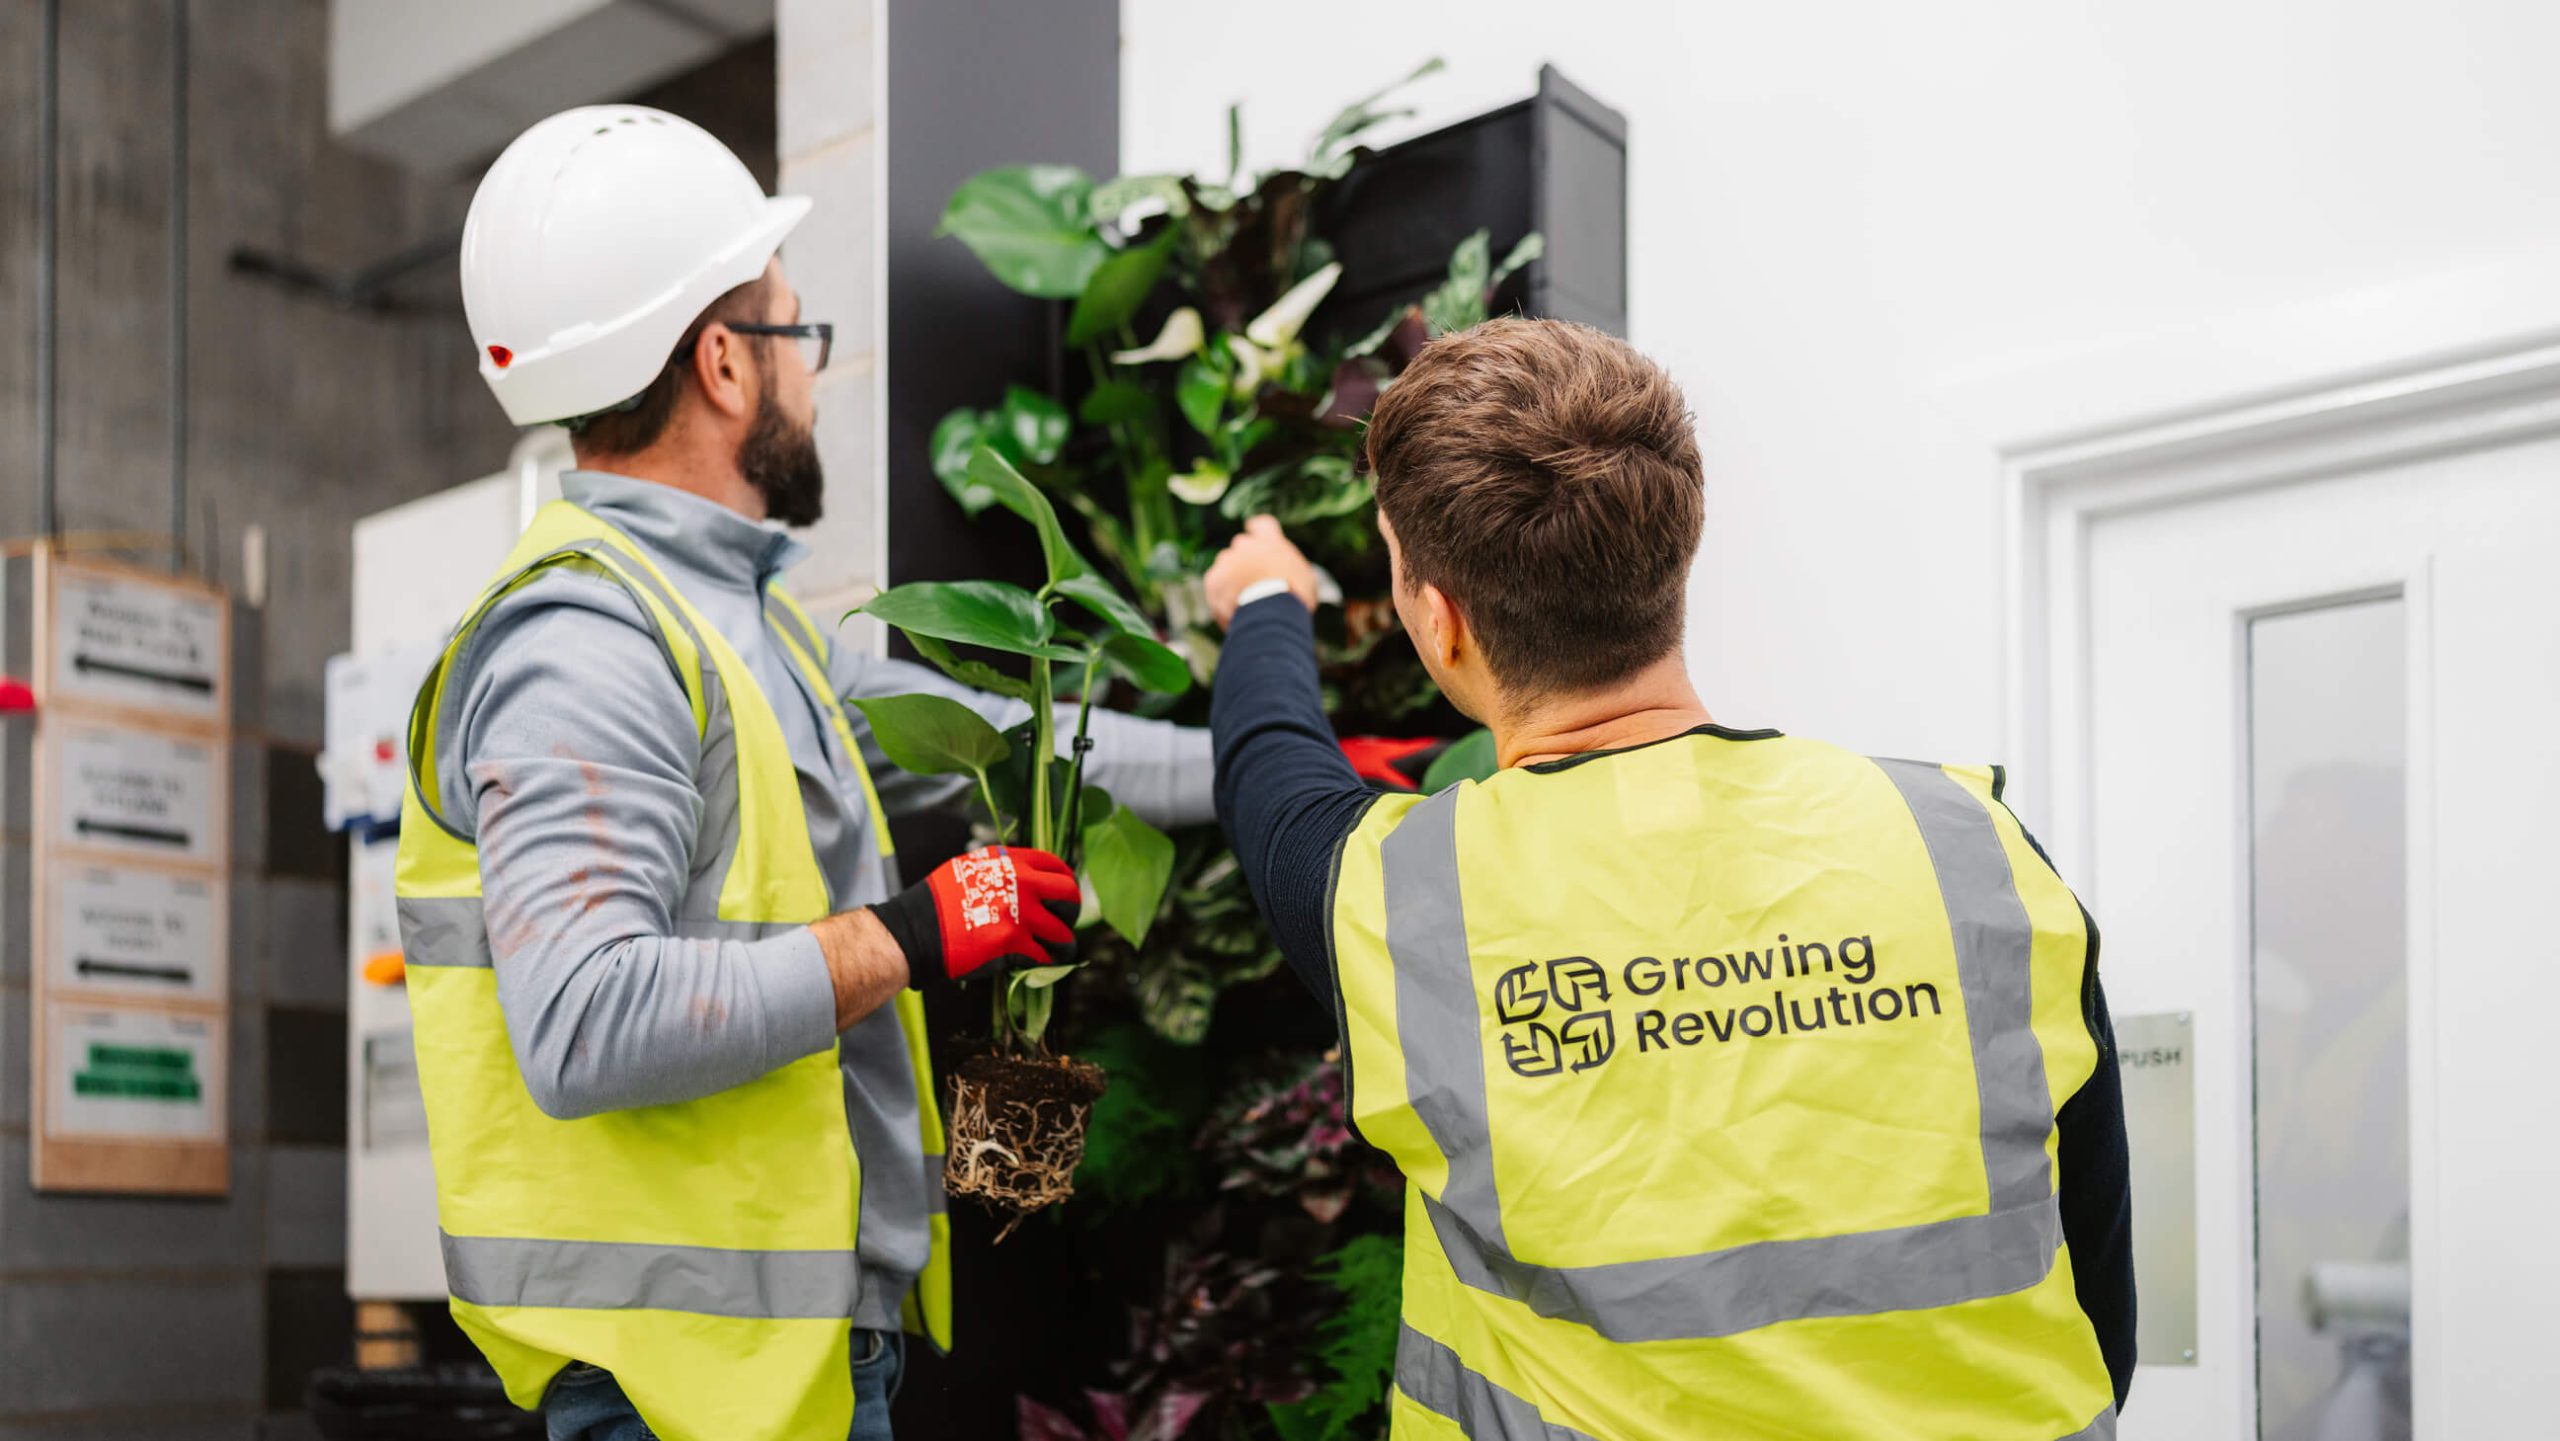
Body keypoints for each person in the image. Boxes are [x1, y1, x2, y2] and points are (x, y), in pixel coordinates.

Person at [395, 106, 1216, 1441]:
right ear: (724, 363)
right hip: (673, 1391)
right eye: (796, 334)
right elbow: (586, 1020)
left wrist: (1277, 762)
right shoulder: (586, 646)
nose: (810, 374)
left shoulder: (751, 626)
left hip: (790, 1362)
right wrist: (915, 932)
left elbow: (1023, 740)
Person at [1203, 317, 2135, 1439]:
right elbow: (2097, 1292)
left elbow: (1273, 781)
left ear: (1438, 621)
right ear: (1674, 560)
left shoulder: (1398, 901)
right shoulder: (1967, 843)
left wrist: (1267, 601)